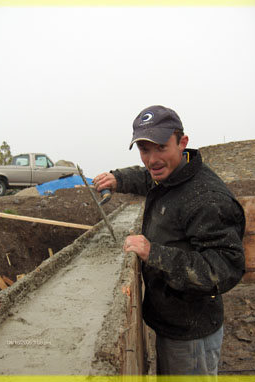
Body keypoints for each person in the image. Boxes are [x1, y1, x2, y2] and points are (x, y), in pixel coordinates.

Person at [93, 105, 245, 376]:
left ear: (182, 143)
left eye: (161, 147)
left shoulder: (207, 198)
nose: (152, 159)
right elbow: (146, 177)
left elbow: (223, 269)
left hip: (192, 335)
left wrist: (154, 253)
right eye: (144, 150)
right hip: (172, 323)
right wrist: (117, 179)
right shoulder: (171, 174)